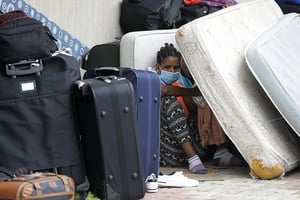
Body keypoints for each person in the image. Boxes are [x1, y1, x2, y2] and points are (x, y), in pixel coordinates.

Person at [156, 43, 243, 174]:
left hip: (197, 148)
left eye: (175, 68)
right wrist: (195, 92)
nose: (172, 72)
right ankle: (193, 158)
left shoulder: (183, 82)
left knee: (209, 98)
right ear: (158, 67)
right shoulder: (151, 78)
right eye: (167, 68)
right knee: (169, 101)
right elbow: (164, 90)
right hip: (169, 153)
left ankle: (221, 151)